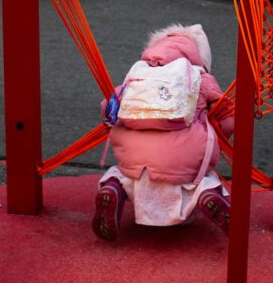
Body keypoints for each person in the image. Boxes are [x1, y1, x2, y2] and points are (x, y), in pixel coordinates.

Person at [92, 23, 234, 241]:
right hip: (182, 160)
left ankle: (115, 189)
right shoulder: (201, 78)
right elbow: (227, 119)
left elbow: (107, 108)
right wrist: (215, 137)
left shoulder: (137, 74)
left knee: (122, 176)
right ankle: (207, 194)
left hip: (134, 161)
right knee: (200, 178)